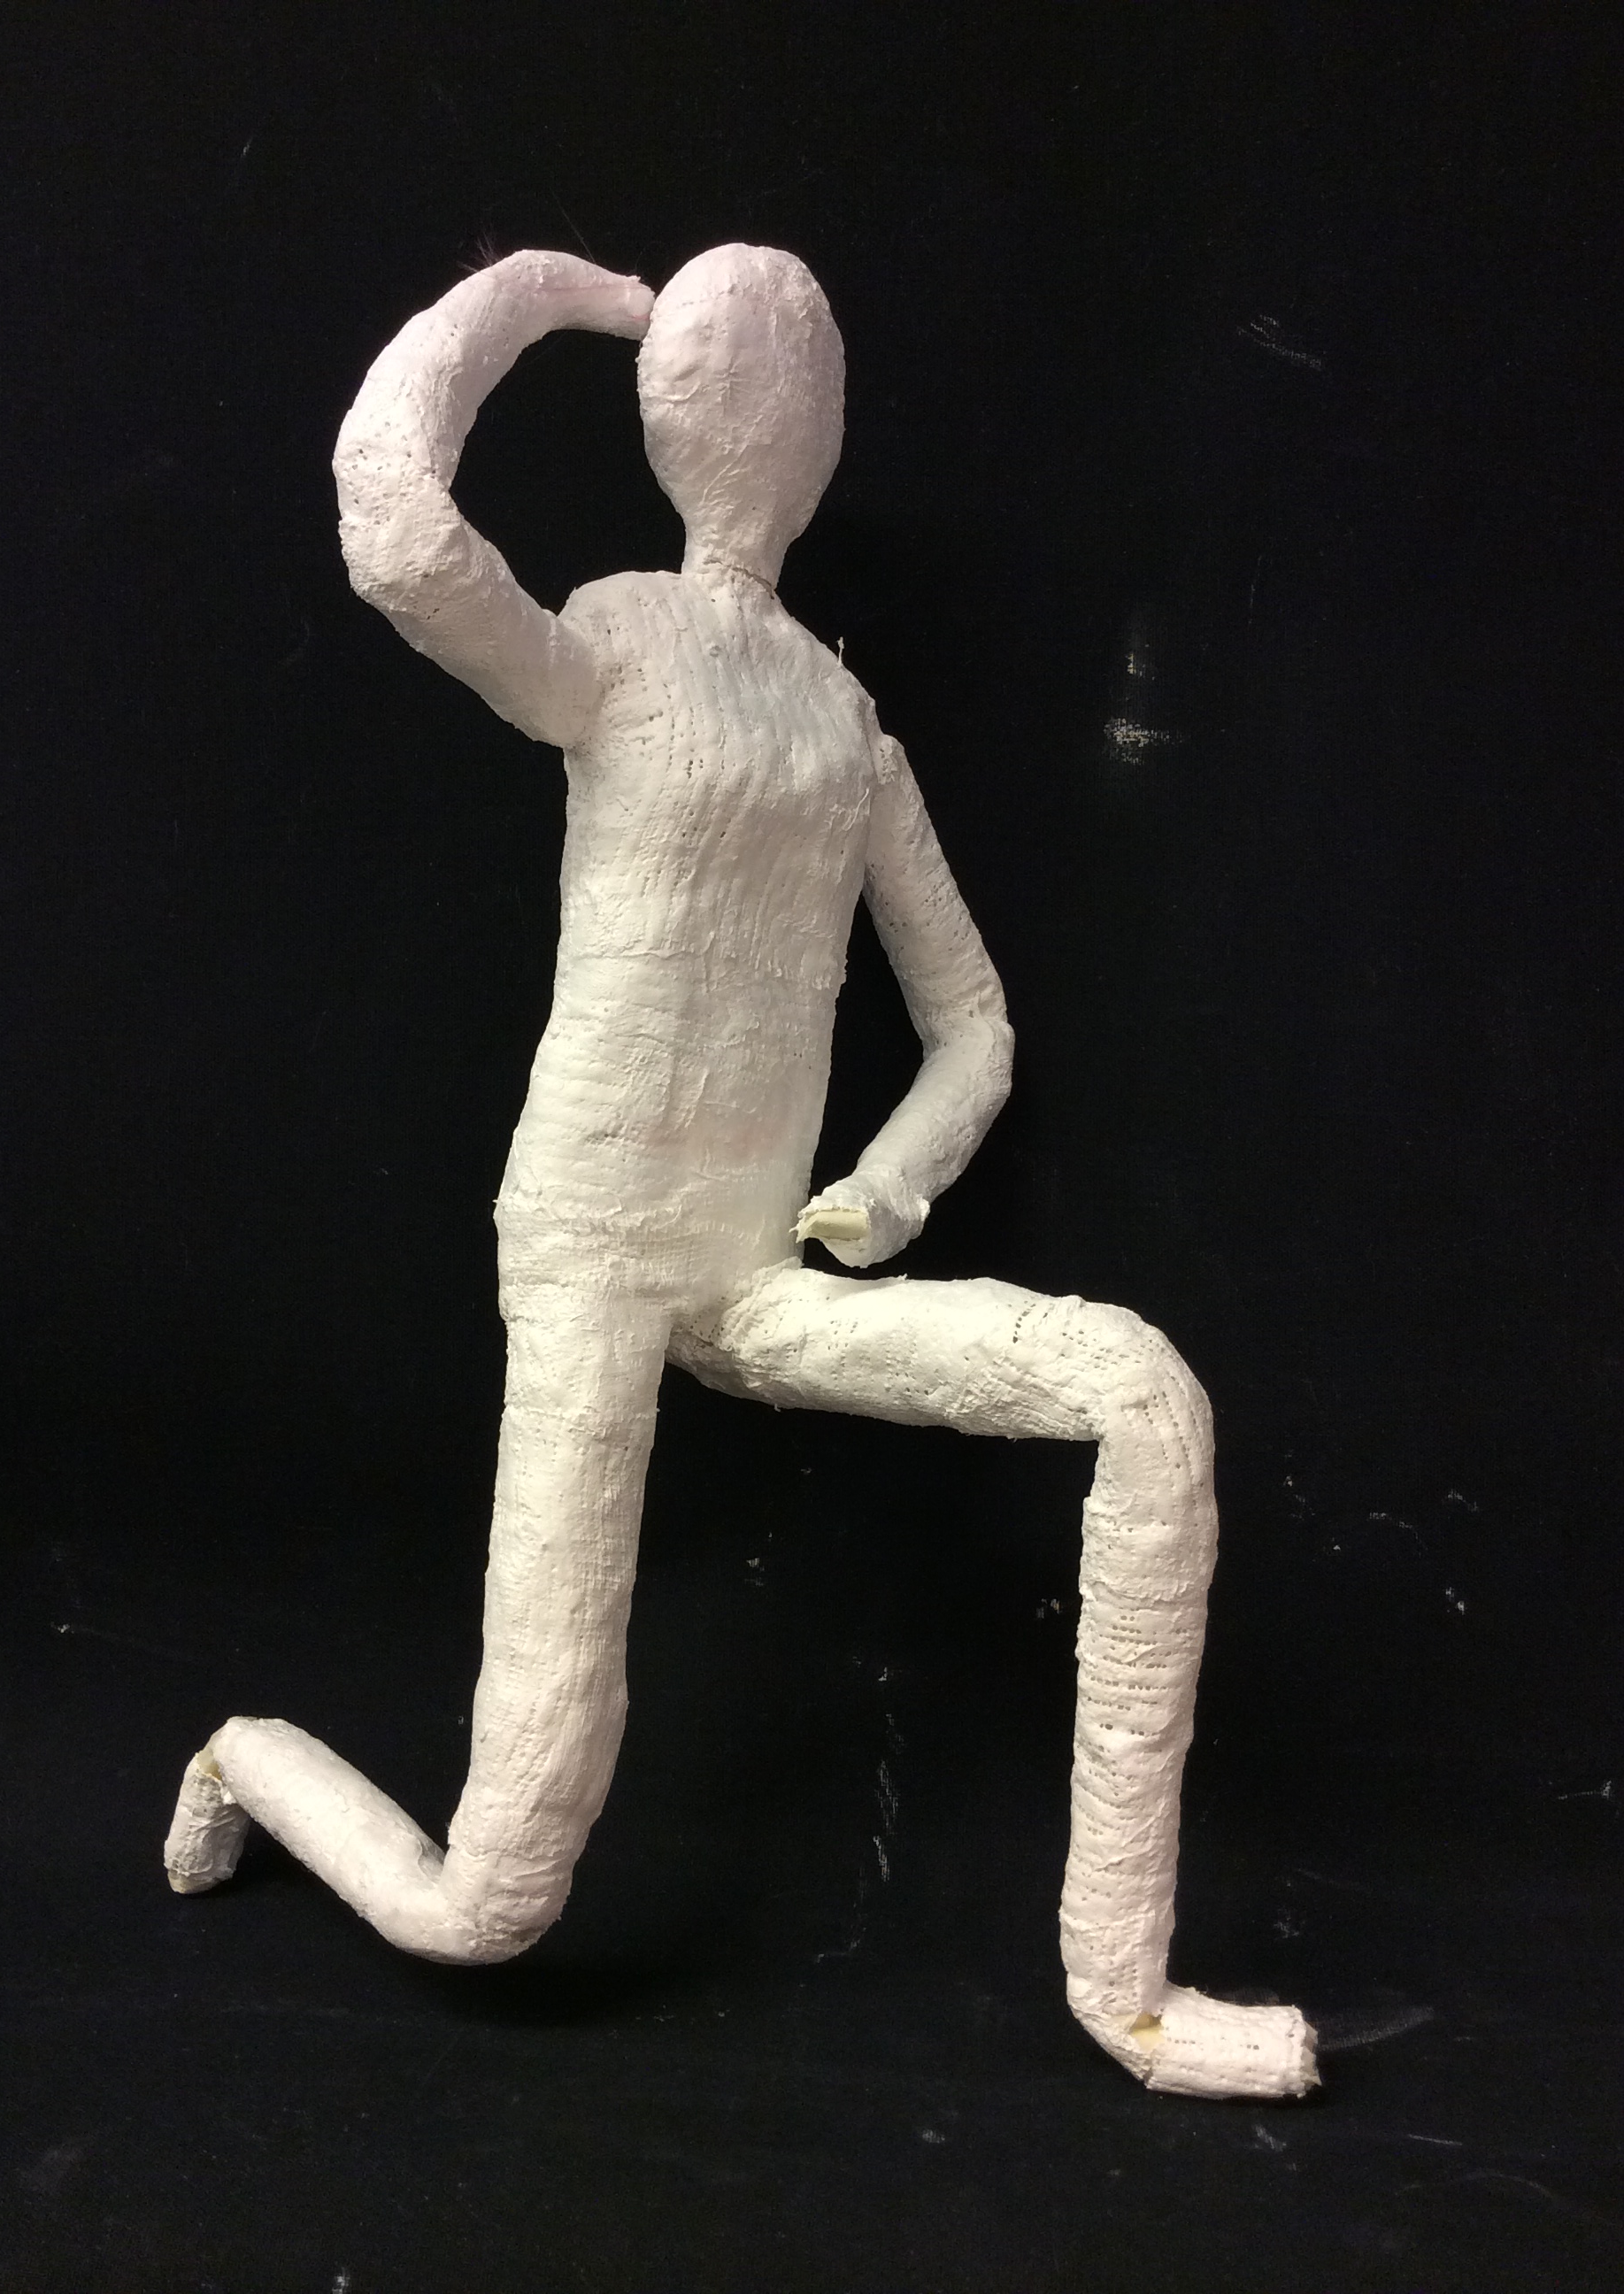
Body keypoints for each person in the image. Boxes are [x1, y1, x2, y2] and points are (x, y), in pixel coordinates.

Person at [164, 244, 1315, 2099]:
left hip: (755, 1266)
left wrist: (881, 1197)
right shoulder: (619, 640)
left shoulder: (844, 731)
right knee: (491, 1902)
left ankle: (1126, 1989)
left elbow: (973, 1025)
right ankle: (248, 1759)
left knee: (1140, 1395)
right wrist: (537, 289)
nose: (762, 410)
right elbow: (394, 532)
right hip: (596, 1253)